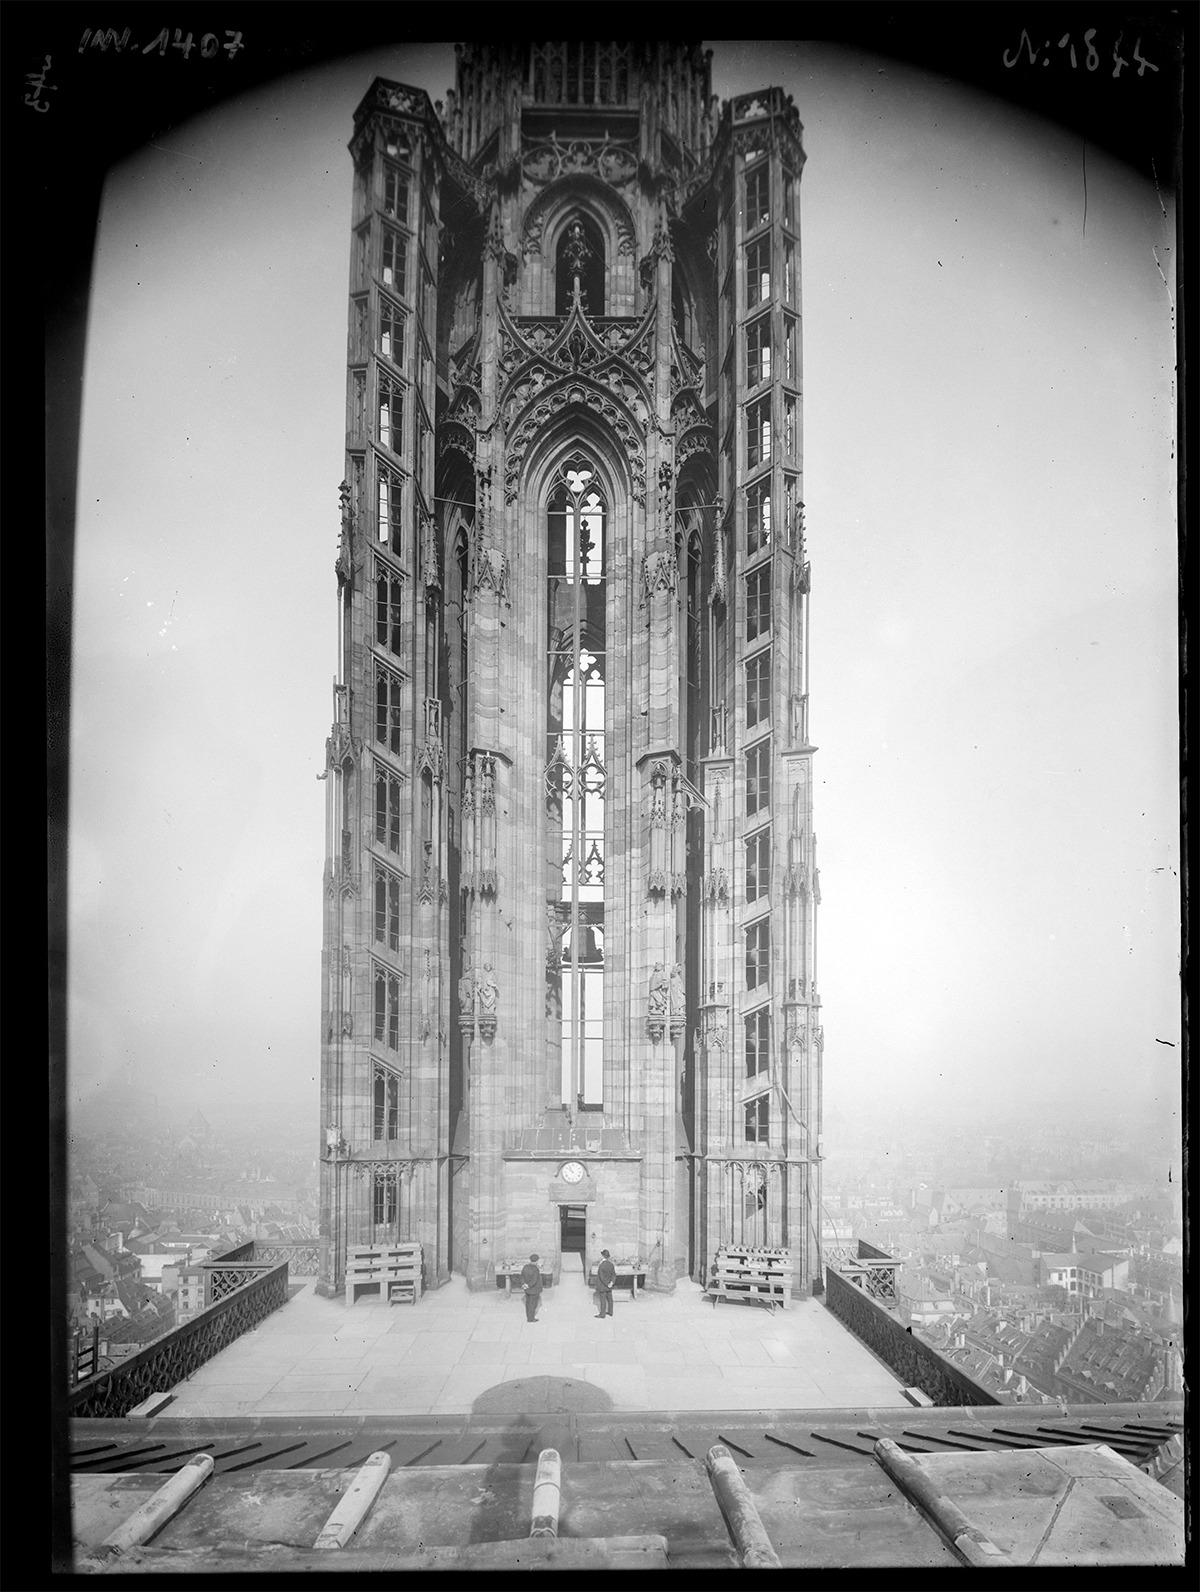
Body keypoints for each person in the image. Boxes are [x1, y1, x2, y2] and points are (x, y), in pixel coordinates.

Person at [520, 1252, 543, 1323]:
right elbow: (535, 1280)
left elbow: (522, 1277)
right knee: (533, 1304)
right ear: (537, 1261)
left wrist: (524, 1284)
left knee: (528, 1303)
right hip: (534, 1290)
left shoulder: (525, 1267)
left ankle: (528, 1316)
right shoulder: (535, 1269)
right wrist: (529, 1285)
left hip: (527, 1290)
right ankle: (531, 1318)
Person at [594, 1249, 616, 1318]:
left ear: (603, 1256)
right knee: (610, 1298)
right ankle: (610, 1311)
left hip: (603, 1285)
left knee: (603, 1299)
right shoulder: (611, 1264)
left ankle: (602, 1314)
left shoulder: (601, 1266)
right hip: (609, 1285)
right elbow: (614, 1275)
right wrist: (611, 1282)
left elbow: (601, 1277)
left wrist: (606, 1284)